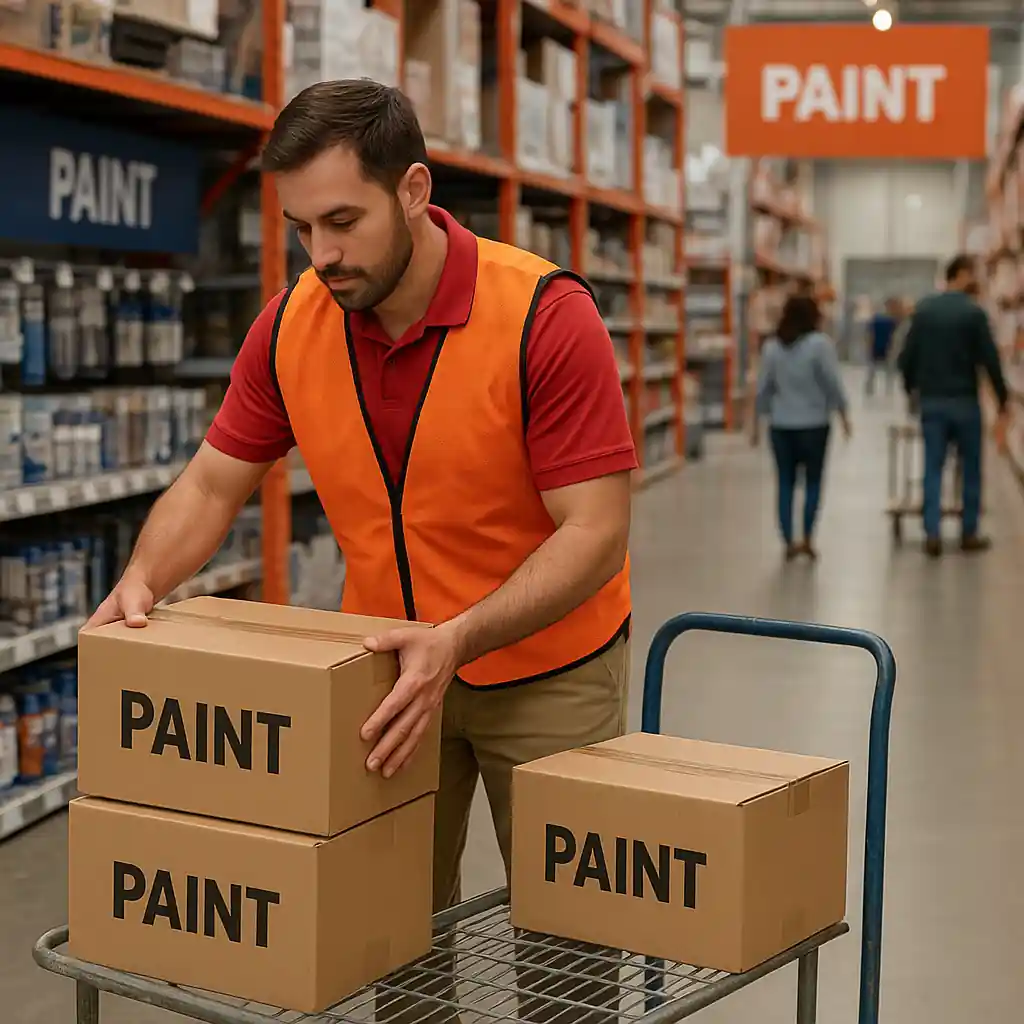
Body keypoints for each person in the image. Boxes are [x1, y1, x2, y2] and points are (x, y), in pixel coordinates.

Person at [84, 80, 636, 1019]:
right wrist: (141, 580)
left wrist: (459, 637)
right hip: (385, 680)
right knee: (393, 942)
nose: (322, 254)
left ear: (415, 190)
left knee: (567, 961)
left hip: (549, 670)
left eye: (343, 220)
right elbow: (214, 482)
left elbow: (596, 529)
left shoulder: (543, 314)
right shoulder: (292, 324)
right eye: (302, 227)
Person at [898, 254, 1011, 557]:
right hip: (965, 402)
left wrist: (911, 390)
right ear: (960, 274)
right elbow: (990, 359)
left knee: (933, 466)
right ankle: (968, 532)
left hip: (933, 401)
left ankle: (932, 532)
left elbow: (906, 357)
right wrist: (1003, 399)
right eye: (972, 274)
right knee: (971, 468)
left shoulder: (924, 311)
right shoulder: (974, 314)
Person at [756, 294, 851, 561]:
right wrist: (844, 414)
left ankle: (788, 541)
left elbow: (764, 388)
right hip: (814, 425)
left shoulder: (773, 347)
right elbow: (832, 383)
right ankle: (808, 538)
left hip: (781, 425)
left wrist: (756, 421)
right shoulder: (820, 345)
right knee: (813, 482)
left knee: (785, 482)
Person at [865, 298, 899, 396]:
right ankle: (875, 388)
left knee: (877, 369)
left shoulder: (883, 319)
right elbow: (871, 334)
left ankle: (874, 388)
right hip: (881, 346)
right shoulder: (889, 320)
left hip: (882, 346)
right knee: (876, 370)